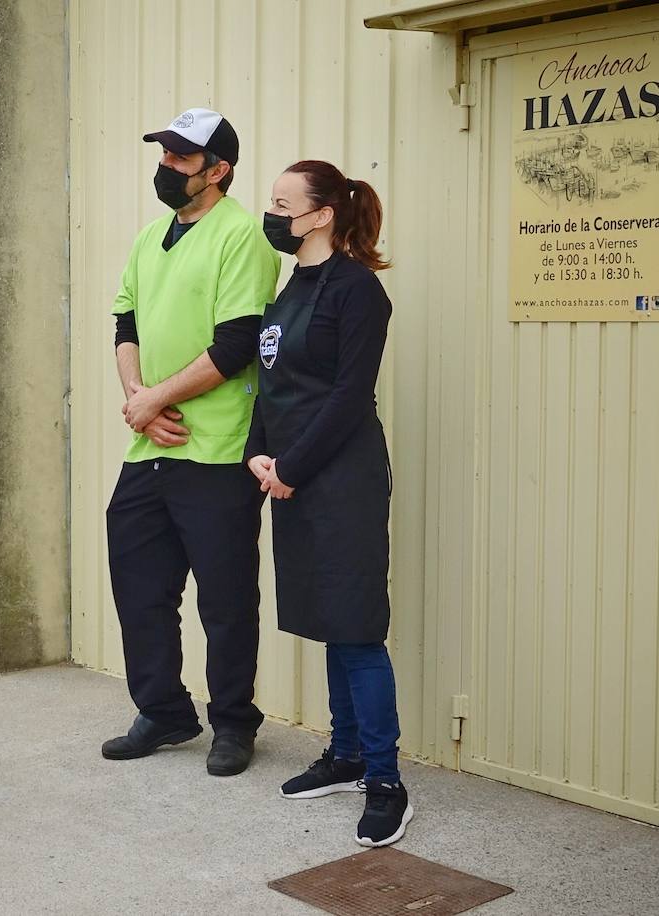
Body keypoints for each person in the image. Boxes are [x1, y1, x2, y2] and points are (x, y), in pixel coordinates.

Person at [101, 108, 280, 777]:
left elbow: (236, 346)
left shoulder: (243, 238)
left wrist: (157, 398)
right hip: (151, 446)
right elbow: (125, 322)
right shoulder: (151, 237)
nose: (167, 167)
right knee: (140, 588)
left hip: (217, 451)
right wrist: (139, 403)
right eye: (165, 155)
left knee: (226, 599)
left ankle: (234, 722)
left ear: (217, 170)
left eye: (181, 158)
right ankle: (165, 710)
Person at [245, 160, 411, 847]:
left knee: (358, 628)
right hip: (292, 476)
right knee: (329, 619)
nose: (273, 213)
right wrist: (260, 453)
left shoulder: (358, 291)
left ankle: (385, 781)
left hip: (339, 478)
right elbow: (273, 382)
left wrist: (292, 465)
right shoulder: (292, 289)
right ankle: (345, 754)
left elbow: (348, 396)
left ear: (320, 215)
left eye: (283, 203)